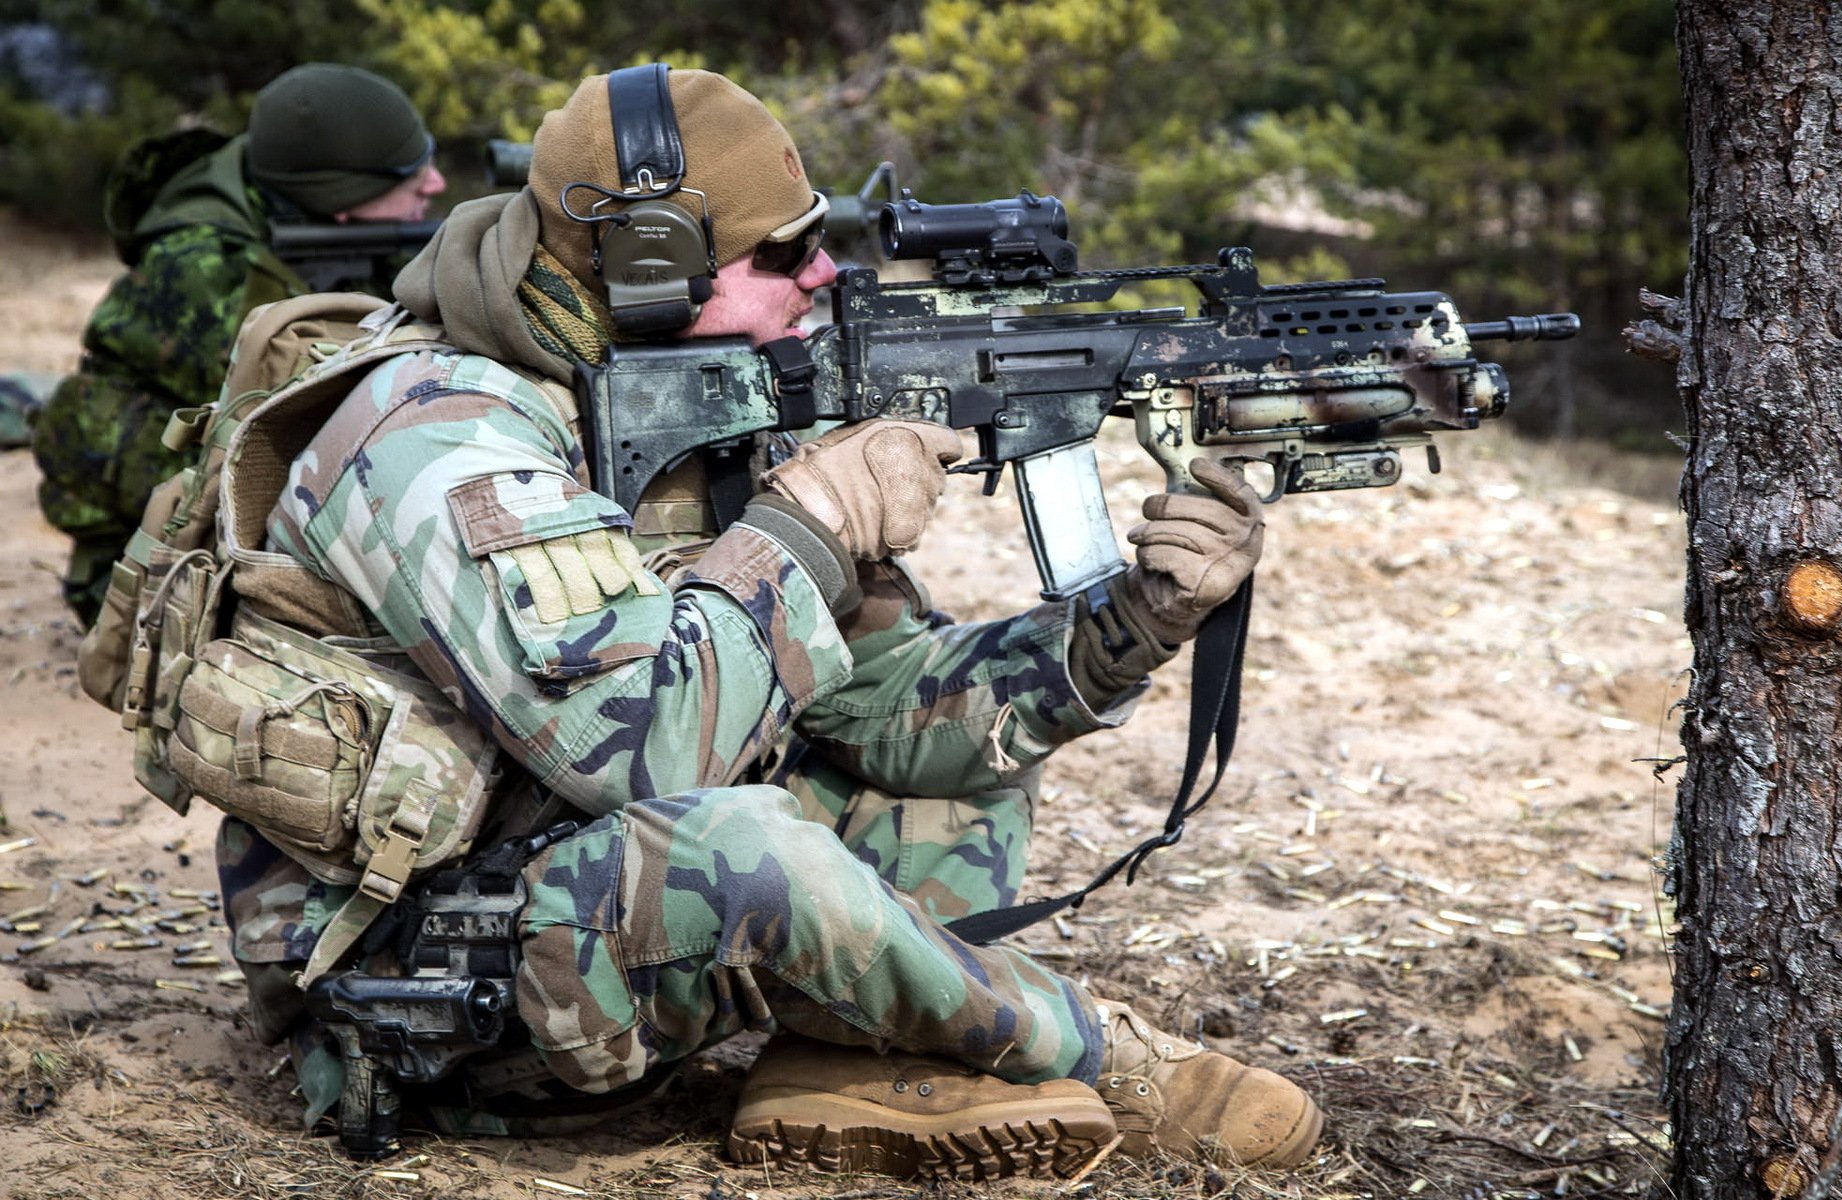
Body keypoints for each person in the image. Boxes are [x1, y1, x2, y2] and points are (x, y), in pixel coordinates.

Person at [205, 65, 1323, 1178]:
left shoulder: (694, 391)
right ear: (651, 268)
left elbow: (892, 710)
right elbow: (641, 756)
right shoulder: (438, 435)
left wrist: (1136, 619)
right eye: (785, 252)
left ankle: (864, 1057)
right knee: (750, 849)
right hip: (427, 987)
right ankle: (1097, 1060)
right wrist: (809, 526)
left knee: (955, 772)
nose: (825, 272)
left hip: (565, 886)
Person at [31, 62, 445, 625]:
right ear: (341, 199)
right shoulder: (206, 269)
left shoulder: (291, 200)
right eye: (409, 175)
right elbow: (327, 409)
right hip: (147, 580)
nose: (434, 184)